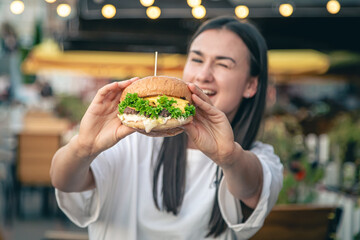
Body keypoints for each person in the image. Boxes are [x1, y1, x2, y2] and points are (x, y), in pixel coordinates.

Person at [50, 16, 283, 240]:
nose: (203, 75)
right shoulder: (132, 139)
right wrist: (84, 146)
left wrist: (229, 157)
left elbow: (251, 190)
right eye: (197, 59)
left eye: (223, 64)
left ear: (251, 85)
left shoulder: (259, 158)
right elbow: (63, 180)